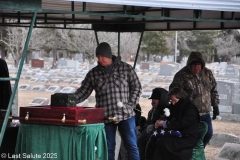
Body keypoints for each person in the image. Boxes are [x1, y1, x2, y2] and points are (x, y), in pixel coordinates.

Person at [74, 42, 142, 160]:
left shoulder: (125, 68)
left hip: (126, 115)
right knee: (108, 147)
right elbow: (83, 92)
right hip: (105, 116)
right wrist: (69, 99)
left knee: (131, 145)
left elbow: (137, 87)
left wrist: (130, 105)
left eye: (102, 56)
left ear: (109, 55)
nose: (100, 59)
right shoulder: (93, 73)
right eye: (98, 57)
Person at [169, 51, 220, 147]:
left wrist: (215, 105)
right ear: (189, 65)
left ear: (202, 64)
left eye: (199, 64)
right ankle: (190, 154)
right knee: (191, 137)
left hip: (205, 113)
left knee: (208, 134)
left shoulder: (207, 73)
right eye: (194, 64)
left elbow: (213, 90)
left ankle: (199, 151)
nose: (197, 67)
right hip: (190, 114)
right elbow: (174, 91)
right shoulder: (181, 75)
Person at [152, 87, 200, 160]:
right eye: (171, 101)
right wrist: (159, 120)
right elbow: (169, 114)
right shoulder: (177, 105)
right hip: (178, 134)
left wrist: (164, 124)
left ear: (181, 98)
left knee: (163, 142)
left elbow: (181, 123)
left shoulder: (190, 109)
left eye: (174, 101)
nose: (173, 103)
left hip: (187, 138)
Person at [138, 87, 169, 160]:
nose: (152, 102)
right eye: (152, 100)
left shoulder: (167, 111)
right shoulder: (152, 111)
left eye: (154, 100)